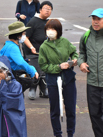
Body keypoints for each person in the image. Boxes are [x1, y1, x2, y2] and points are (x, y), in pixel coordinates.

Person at [38, 19, 78, 137]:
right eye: (48, 29)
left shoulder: (65, 42)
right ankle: (58, 134)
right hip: (52, 80)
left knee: (71, 109)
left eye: (53, 29)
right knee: (54, 110)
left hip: (68, 78)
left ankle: (70, 133)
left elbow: (74, 52)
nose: (50, 31)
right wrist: (58, 67)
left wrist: (74, 59)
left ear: (58, 31)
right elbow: (43, 66)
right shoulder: (44, 47)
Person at [0, 56, 27, 137]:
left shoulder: (16, 85)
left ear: (7, 71)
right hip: (0, 117)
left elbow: (13, 102)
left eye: (0, 71)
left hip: (13, 118)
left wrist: (2, 88)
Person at [78, 8, 103, 137]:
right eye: (94, 19)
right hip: (92, 83)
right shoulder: (86, 36)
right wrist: (81, 63)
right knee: (94, 115)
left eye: (98, 19)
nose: (95, 22)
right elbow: (82, 53)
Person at [23, 1, 53, 99]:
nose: (47, 11)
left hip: (44, 52)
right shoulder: (33, 21)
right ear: (40, 10)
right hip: (32, 52)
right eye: (45, 8)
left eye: (49, 9)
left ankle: (43, 89)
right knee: (35, 70)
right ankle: (32, 88)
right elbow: (25, 37)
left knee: (44, 71)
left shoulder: (48, 23)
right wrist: (31, 47)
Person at [0, 21, 39, 92]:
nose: (25, 36)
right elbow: (20, 63)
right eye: (24, 34)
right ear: (18, 36)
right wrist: (32, 71)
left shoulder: (7, 45)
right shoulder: (13, 47)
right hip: (12, 79)